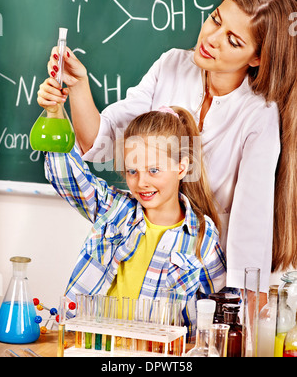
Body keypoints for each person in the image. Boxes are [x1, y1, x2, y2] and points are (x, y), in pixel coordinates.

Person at [38, 0, 297, 306]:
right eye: (216, 19)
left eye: (232, 40)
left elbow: (250, 232)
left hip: (206, 278)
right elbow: (105, 138)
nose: (211, 39)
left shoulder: (258, 116)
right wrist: (76, 87)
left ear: (257, 58)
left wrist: (241, 327)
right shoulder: (172, 64)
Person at [44, 106, 226, 338]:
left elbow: (217, 312)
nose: (142, 182)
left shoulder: (203, 236)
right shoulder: (114, 208)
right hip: (90, 344)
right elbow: (66, 176)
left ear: (181, 167)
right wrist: (55, 112)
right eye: (132, 171)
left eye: (153, 170)